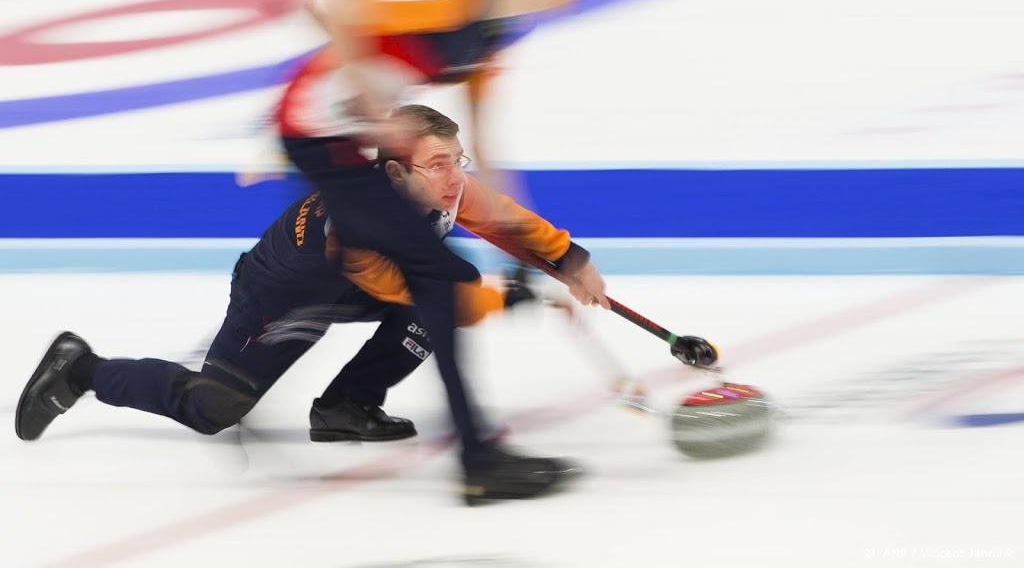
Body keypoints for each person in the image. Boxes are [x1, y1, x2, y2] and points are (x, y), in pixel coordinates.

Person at [16, 105, 693, 504]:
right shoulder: (359, 224)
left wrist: (569, 259)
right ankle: (83, 367)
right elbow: (414, 292)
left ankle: (345, 407)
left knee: (436, 298)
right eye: (438, 164)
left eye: (458, 157)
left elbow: (505, 220)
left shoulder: (446, 187)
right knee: (212, 409)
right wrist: (502, 297)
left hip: (359, 289)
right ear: (394, 173)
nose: (455, 176)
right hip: (280, 300)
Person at [270, 0, 610, 501]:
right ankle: (477, 459)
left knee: (440, 278)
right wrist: (374, 111)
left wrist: (554, 256)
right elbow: (336, 6)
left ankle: (476, 456)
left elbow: (488, 150)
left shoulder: (489, 34)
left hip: (347, 148)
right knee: (439, 275)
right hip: (314, 135)